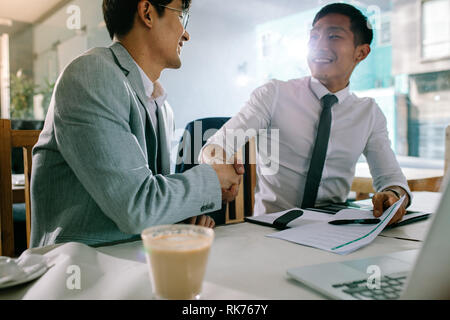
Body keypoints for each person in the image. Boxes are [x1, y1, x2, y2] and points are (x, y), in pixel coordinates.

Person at [30, 0, 243, 248]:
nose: (186, 33)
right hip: (78, 268)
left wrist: (187, 213)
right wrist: (212, 179)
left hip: (138, 260)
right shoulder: (90, 75)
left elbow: (149, 204)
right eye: (181, 16)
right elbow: (136, 207)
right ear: (147, 13)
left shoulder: (162, 106)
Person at [200, 3, 411, 225]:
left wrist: (394, 196)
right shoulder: (274, 94)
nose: (319, 45)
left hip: (335, 230)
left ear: (361, 52)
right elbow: (215, 146)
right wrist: (218, 162)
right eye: (314, 37)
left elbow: (391, 179)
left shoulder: (369, 113)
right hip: (272, 230)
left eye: (333, 37)